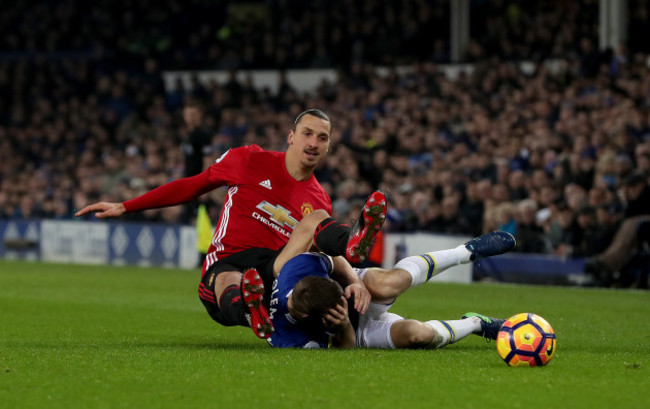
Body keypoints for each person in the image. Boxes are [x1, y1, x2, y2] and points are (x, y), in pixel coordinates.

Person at [75, 109, 384, 338]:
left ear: (328, 147)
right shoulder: (248, 160)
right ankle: (253, 315)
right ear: (291, 136)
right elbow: (192, 186)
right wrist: (127, 206)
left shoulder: (319, 197)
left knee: (318, 219)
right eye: (307, 133)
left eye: (323, 137)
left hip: (274, 268)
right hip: (228, 261)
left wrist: (354, 279)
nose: (314, 142)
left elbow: (324, 253)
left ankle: (353, 242)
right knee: (230, 280)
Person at [265, 223, 517, 349]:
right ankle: (476, 324)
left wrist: (354, 283)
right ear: (311, 316)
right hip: (356, 330)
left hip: (354, 284)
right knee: (418, 335)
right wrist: (342, 324)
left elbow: (334, 260)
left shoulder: (296, 269)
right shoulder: (291, 338)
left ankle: (466, 252)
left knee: (388, 284)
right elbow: (345, 351)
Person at [584, 170, 650, 286]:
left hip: (642, 227)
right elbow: (628, 212)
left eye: (632, 187)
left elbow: (634, 212)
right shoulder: (633, 199)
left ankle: (607, 262)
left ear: (640, 185)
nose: (631, 191)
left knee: (632, 223)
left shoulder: (645, 195)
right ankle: (604, 263)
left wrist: (628, 202)